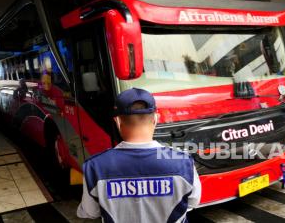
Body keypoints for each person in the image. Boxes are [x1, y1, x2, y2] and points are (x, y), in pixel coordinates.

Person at [77, 88, 201, 223]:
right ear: (155, 119)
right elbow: (193, 202)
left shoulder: (95, 167)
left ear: (118, 121)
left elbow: (90, 212)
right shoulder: (183, 162)